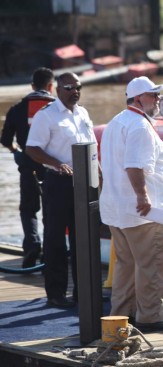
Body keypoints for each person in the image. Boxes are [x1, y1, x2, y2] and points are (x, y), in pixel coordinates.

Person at [99, 76, 163, 332]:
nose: (158, 99)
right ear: (138, 99)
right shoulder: (140, 126)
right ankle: (150, 318)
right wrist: (143, 197)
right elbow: (134, 165)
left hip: (119, 212)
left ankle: (122, 317)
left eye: (157, 94)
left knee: (126, 267)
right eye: (153, 94)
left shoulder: (116, 122)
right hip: (146, 214)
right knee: (153, 266)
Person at [26, 72, 96, 309]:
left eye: (78, 87)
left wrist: (101, 174)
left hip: (84, 182)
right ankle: (55, 294)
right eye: (69, 87)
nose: (75, 91)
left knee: (82, 239)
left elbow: (92, 148)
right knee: (55, 240)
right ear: (57, 89)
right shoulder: (46, 116)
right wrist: (57, 163)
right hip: (58, 182)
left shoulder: (83, 113)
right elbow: (32, 148)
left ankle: (82, 291)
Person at [1, 67, 54, 268]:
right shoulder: (57, 108)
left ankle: (32, 245)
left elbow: (5, 139)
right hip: (52, 166)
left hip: (27, 165)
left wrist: (16, 151)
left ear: (32, 86)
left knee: (29, 209)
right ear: (51, 86)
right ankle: (50, 253)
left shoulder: (16, 109)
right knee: (51, 210)